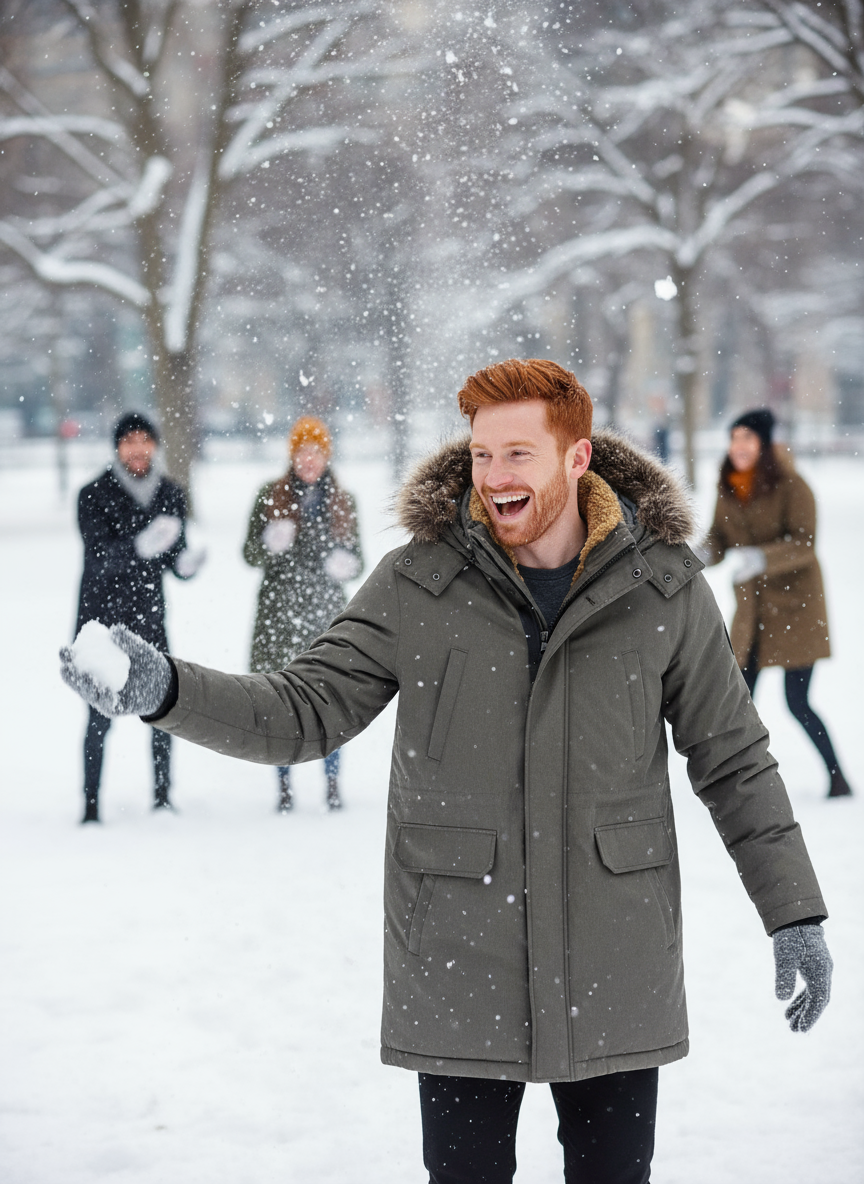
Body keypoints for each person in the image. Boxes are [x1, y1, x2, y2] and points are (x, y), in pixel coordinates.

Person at [61, 361, 832, 1183]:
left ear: (577, 460)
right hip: (460, 957)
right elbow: (303, 709)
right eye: (480, 455)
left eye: (517, 455)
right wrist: (166, 690)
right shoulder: (418, 583)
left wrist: (794, 913)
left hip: (617, 955)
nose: (493, 477)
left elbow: (735, 759)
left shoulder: (664, 587)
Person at [701, 408, 852, 799]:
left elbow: (804, 543)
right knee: (738, 699)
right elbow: (719, 537)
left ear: (764, 444)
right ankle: (733, 782)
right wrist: (696, 555)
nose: (738, 447)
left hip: (796, 609)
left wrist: (761, 559)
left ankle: (838, 778)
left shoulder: (792, 484)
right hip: (753, 611)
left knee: (797, 702)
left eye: (747, 439)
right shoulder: (729, 484)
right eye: (734, 438)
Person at [72, 411, 204, 823]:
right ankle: (91, 805)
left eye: (144, 440)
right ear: (117, 448)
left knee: (163, 708)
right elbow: (97, 556)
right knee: (98, 716)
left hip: (149, 620)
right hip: (101, 623)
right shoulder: (92, 494)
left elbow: (172, 558)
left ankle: (163, 796)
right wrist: (138, 546)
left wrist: (186, 563)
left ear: (154, 446)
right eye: (128, 441)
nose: (137, 448)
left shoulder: (170, 493)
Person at [242, 416, 363, 811]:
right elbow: (249, 554)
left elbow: (357, 559)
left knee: (330, 701)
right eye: (302, 453)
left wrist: (346, 564)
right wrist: (269, 544)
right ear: (292, 456)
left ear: (326, 456)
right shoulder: (269, 496)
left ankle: (332, 782)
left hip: (326, 616)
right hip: (278, 616)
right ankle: (283, 785)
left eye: (316, 453)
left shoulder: (343, 502)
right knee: (280, 702)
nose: (309, 461)